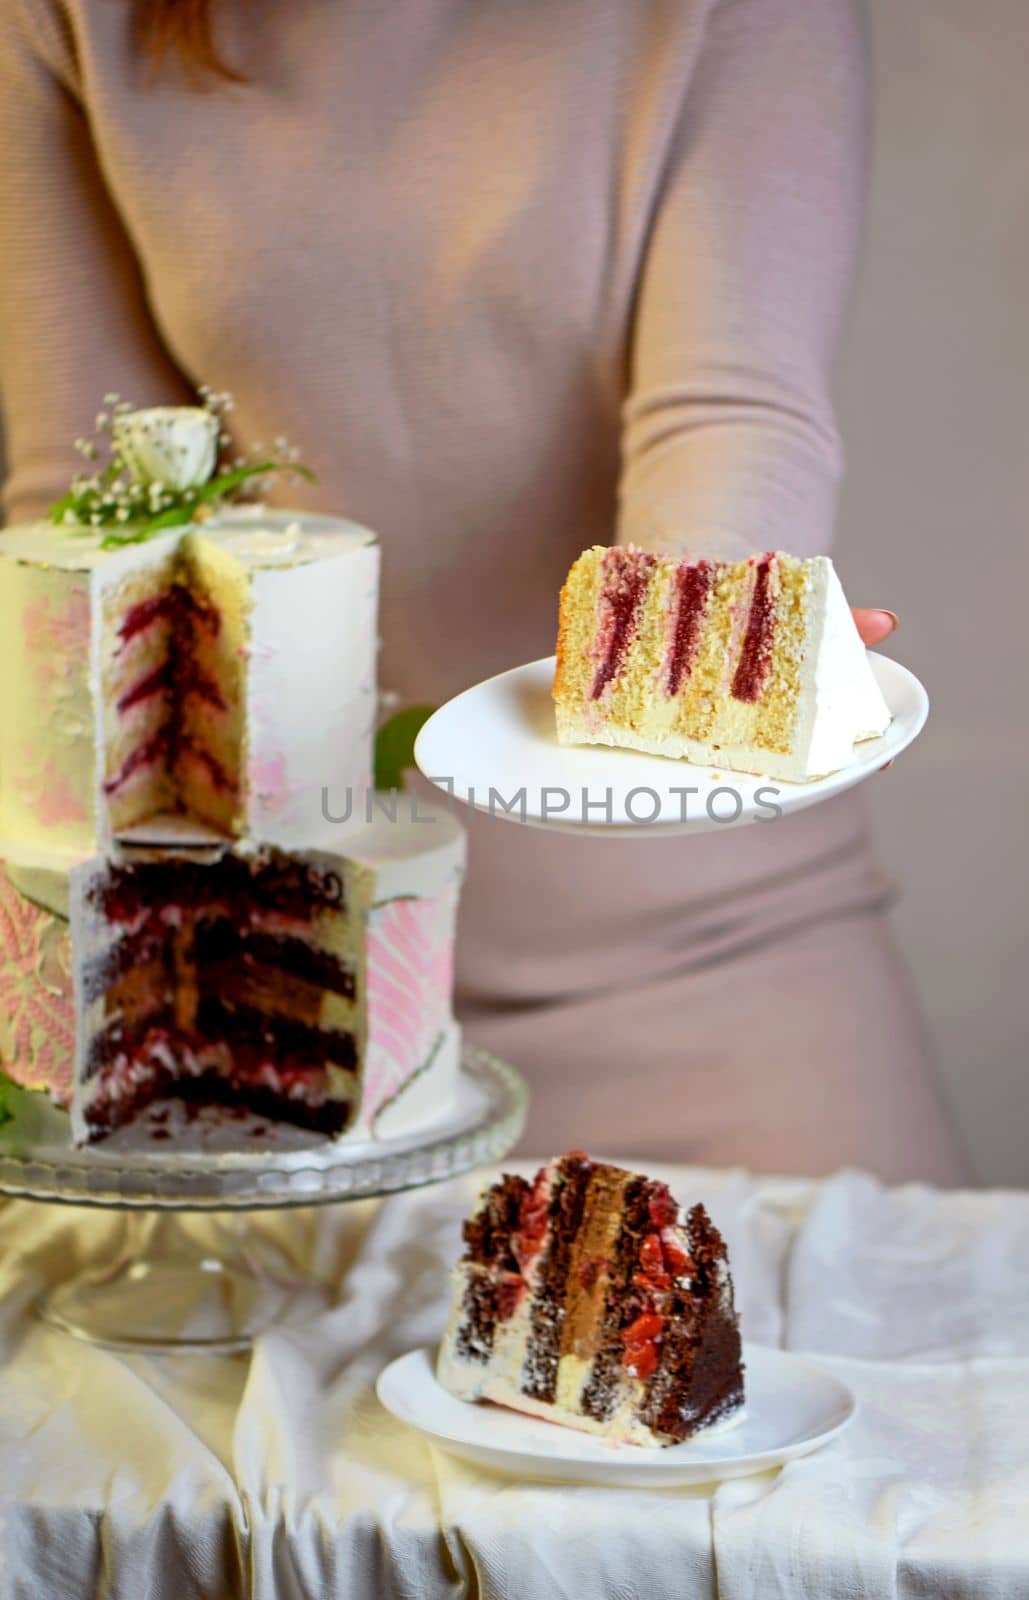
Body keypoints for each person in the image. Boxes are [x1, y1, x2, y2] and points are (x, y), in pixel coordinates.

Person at [0, 0, 964, 1180]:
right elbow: (92, 496)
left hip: (717, 964)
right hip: (279, 968)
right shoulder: (69, 21)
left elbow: (729, 411)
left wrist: (727, 634)